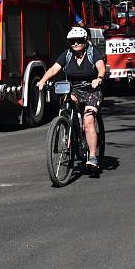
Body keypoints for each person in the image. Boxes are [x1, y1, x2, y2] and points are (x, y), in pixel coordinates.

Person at [37, 26, 107, 170]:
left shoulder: (92, 52)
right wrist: (43, 80)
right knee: (67, 107)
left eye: (79, 41)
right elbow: (54, 69)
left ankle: (93, 156)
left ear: (85, 40)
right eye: (73, 41)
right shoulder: (67, 54)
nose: (76, 44)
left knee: (88, 121)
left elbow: (101, 67)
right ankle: (70, 130)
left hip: (91, 90)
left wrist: (98, 78)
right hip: (74, 89)